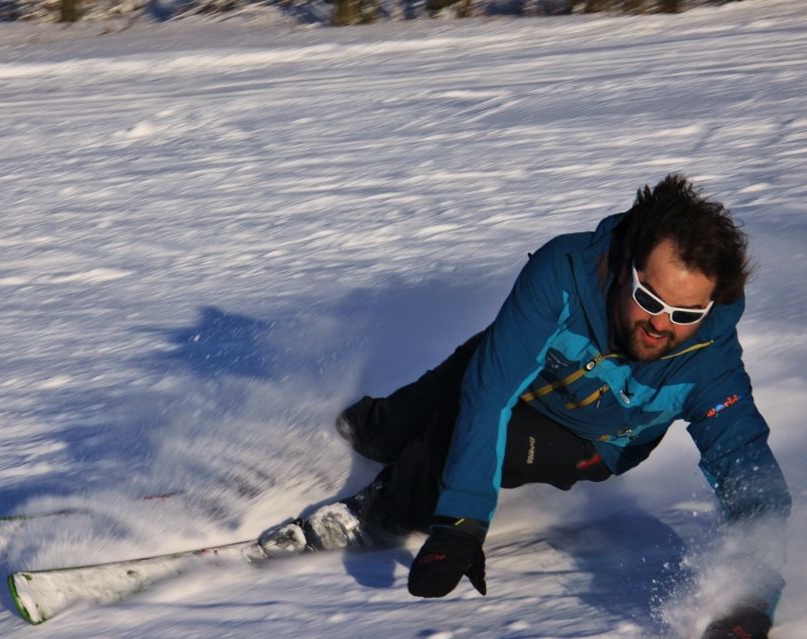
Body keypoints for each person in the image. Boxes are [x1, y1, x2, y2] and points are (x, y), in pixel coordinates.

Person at [258, 174, 791, 639]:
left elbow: (751, 480)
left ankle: (379, 512)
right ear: (627, 266)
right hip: (518, 366)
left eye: (686, 312)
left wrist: (748, 604)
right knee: (389, 429)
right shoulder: (564, 270)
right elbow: (490, 391)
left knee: (460, 443)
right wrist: (465, 519)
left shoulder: (709, 358)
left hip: (589, 439)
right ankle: (377, 439)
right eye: (650, 300)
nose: (662, 323)